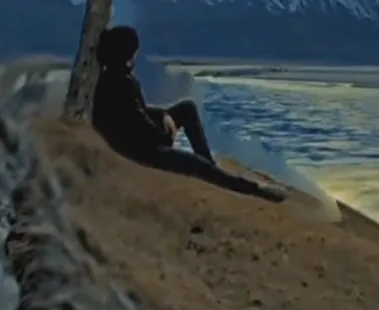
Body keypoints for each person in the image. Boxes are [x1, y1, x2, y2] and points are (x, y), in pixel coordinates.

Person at [92, 25, 287, 203]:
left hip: (137, 140)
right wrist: (168, 134)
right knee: (200, 168)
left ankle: (209, 162)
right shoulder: (122, 84)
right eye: (134, 52)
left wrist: (162, 115)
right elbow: (143, 130)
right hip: (145, 152)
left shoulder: (111, 78)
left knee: (187, 108)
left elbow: (135, 114)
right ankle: (257, 191)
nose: (135, 57)